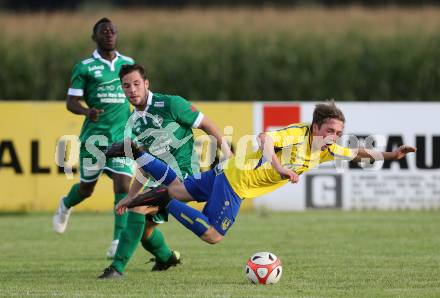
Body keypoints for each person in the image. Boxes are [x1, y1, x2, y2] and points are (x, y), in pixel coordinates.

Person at [107, 101, 417, 246]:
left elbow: (358, 152)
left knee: (174, 187)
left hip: (226, 170)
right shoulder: (298, 134)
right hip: (236, 180)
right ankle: (163, 204)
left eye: (339, 131)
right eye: (331, 130)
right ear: (316, 126)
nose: (336, 135)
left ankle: (135, 151)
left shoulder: (328, 148)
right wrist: (279, 166)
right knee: (213, 235)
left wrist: (392, 154)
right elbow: (266, 139)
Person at [98, 64, 230, 278]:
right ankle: (167, 257)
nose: (132, 90)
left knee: (138, 210)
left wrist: (227, 154)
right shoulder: (134, 122)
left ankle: (116, 268)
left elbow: (207, 124)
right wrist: (131, 196)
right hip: (160, 179)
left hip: (185, 177)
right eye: (126, 86)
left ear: (146, 84)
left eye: (136, 84)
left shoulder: (171, 104)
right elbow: (144, 164)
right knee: (145, 232)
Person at [52, 18, 136, 258]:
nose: (109, 34)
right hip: (94, 140)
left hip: (121, 138)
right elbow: (71, 102)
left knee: (123, 183)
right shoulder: (85, 67)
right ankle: (66, 204)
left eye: (113, 31)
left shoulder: (128, 63)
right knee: (87, 189)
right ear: (94, 37)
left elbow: (137, 92)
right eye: (103, 31)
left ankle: (118, 240)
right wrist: (86, 111)